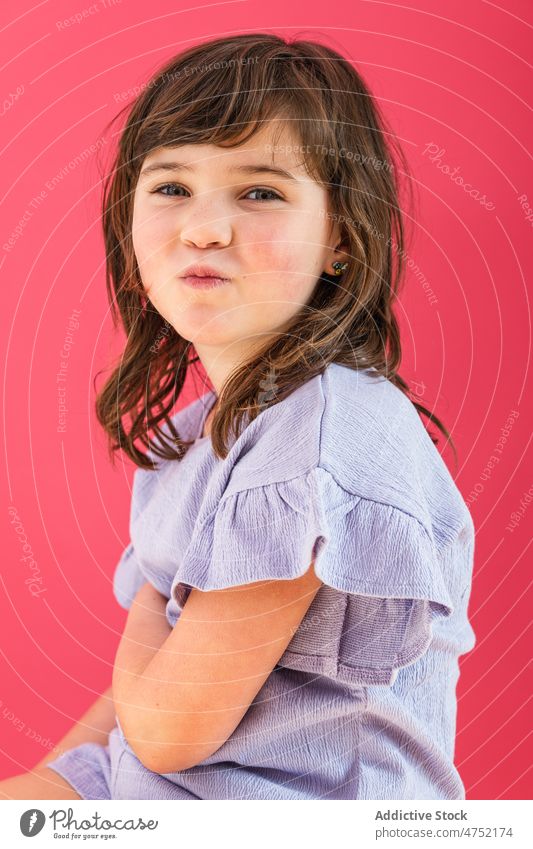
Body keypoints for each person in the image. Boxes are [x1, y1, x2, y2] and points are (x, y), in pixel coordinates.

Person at [0, 32, 476, 801]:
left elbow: (164, 728)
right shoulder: (205, 430)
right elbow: (131, 724)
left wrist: (155, 593)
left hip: (297, 809)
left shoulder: (317, 434)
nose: (203, 228)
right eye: (170, 188)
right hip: (175, 790)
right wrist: (44, 782)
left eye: (258, 191)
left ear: (341, 243)